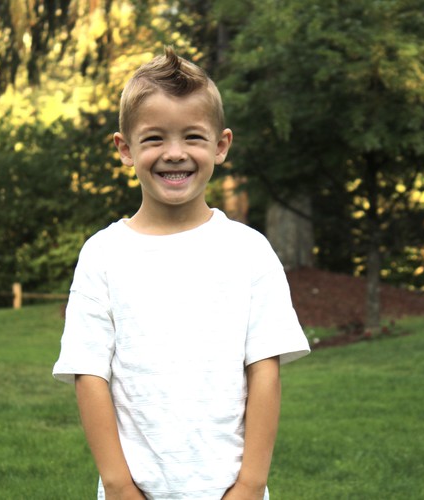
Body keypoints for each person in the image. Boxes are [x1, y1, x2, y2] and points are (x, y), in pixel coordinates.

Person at [53, 46, 310, 500]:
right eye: (154, 139)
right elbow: (89, 375)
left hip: (231, 490)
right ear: (125, 149)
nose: (175, 154)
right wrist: (118, 485)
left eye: (192, 137)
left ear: (221, 145)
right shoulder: (103, 255)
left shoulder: (249, 251)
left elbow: (264, 371)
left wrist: (251, 485)